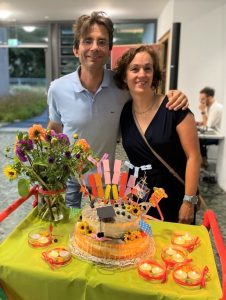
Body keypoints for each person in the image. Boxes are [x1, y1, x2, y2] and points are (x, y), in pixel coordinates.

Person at [47, 11, 189, 209]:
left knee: (103, 231)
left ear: (109, 50)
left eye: (102, 42)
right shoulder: (57, 88)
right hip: (70, 179)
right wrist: (49, 173)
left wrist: (173, 95)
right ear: (76, 49)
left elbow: (148, 95)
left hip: (106, 182)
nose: (95, 47)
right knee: (70, 230)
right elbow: (54, 128)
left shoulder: (121, 86)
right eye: (88, 41)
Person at [114, 45, 201, 224]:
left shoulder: (174, 108)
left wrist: (189, 201)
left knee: (174, 249)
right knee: (141, 247)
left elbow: (194, 157)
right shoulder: (124, 113)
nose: (142, 74)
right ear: (125, 76)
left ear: (154, 74)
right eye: (134, 69)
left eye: (148, 68)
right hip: (139, 200)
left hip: (175, 197)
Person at [197, 87, 223, 168]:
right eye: (200, 99)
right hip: (214, 132)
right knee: (197, 138)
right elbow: (207, 122)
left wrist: (202, 111)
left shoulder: (217, 108)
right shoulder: (210, 107)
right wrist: (200, 123)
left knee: (198, 140)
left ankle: (203, 162)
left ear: (210, 97)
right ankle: (203, 161)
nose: (201, 101)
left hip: (218, 136)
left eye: (203, 99)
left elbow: (207, 126)